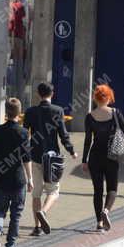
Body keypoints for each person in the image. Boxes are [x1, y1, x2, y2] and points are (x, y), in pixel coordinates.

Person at [23, 82, 77, 236]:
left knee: (36, 194)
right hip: (52, 158)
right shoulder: (58, 111)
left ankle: (37, 227)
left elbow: (25, 134)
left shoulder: (30, 112)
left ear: (38, 94)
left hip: (35, 157)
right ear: (52, 94)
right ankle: (44, 212)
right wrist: (71, 150)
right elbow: (63, 134)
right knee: (53, 191)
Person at [0, 97, 33, 247]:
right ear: (20, 113)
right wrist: (30, 179)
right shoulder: (24, 133)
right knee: (16, 214)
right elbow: (26, 159)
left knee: (0, 210)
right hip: (18, 179)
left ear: (6, 112)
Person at [82, 84, 124, 232]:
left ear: (95, 99)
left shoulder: (90, 116)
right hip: (112, 155)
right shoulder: (116, 113)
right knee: (112, 188)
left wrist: (84, 160)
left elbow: (87, 140)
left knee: (97, 191)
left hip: (95, 156)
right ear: (109, 97)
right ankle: (106, 211)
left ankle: (99, 223)